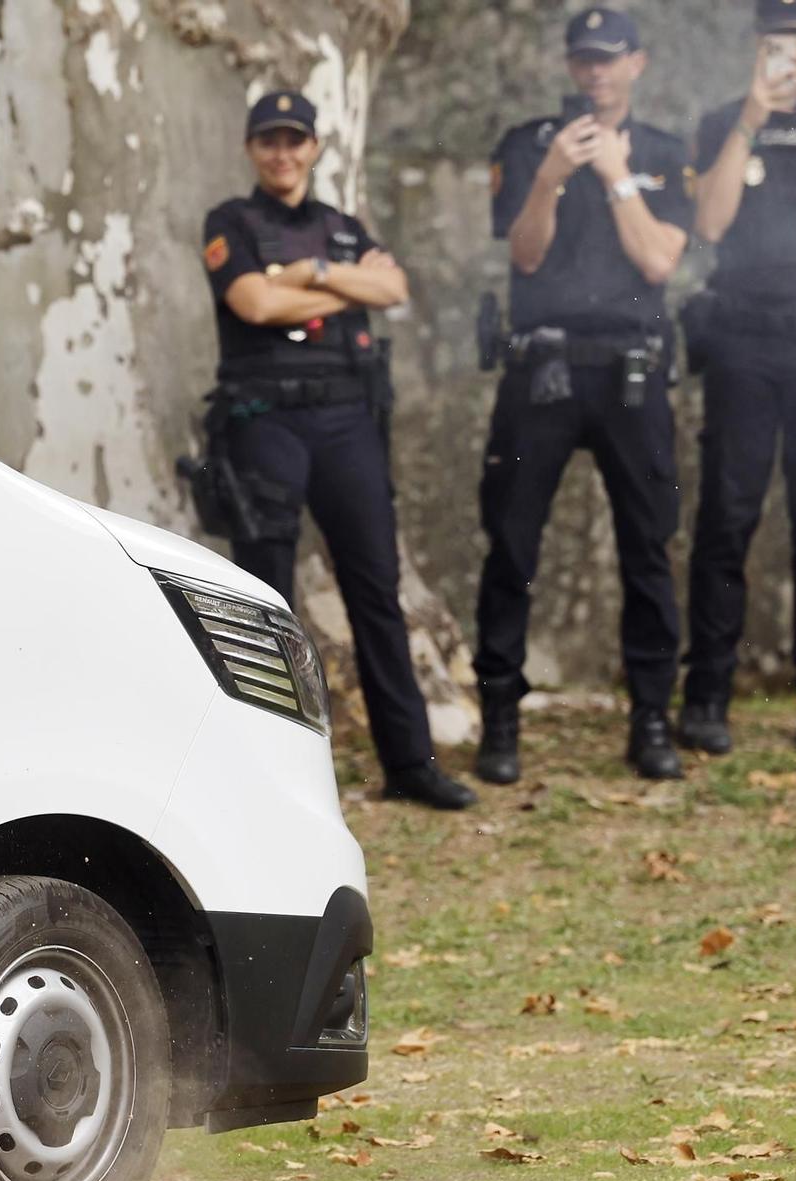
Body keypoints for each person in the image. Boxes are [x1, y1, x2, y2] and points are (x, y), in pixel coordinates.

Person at [197, 91, 476, 811]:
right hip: (267, 422)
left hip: (348, 423)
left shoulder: (342, 227)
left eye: (295, 140)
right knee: (265, 599)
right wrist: (345, 287)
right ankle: (267, 774)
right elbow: (254, 305)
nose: (283, 153)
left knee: (375, 591)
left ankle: (410, 763)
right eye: (269, 141)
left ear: (315, 148)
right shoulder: (231, 222)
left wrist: (307, 276)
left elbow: (393, 287)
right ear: (252, 150)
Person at [473, 7, 693, 784]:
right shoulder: (529, 145)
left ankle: (653, 722)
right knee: (512, 544)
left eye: (610, 59)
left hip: (632, 376)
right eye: (585, 60)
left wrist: (615, 175)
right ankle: (500, 720)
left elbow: (659, 258)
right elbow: (525, 257)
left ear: (637, 63)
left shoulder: (665, 153)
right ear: (571, 67)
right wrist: (553, 177)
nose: (596, 72)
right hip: (545, 373)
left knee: (648, 549)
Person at [679, 0, 796, 758]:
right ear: (758, 42)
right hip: (743, 340)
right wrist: (751, 120)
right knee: (727, 515)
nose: (787, 46)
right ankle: (708, 694)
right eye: (774, 35)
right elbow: (711, 225)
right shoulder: (726, 118)